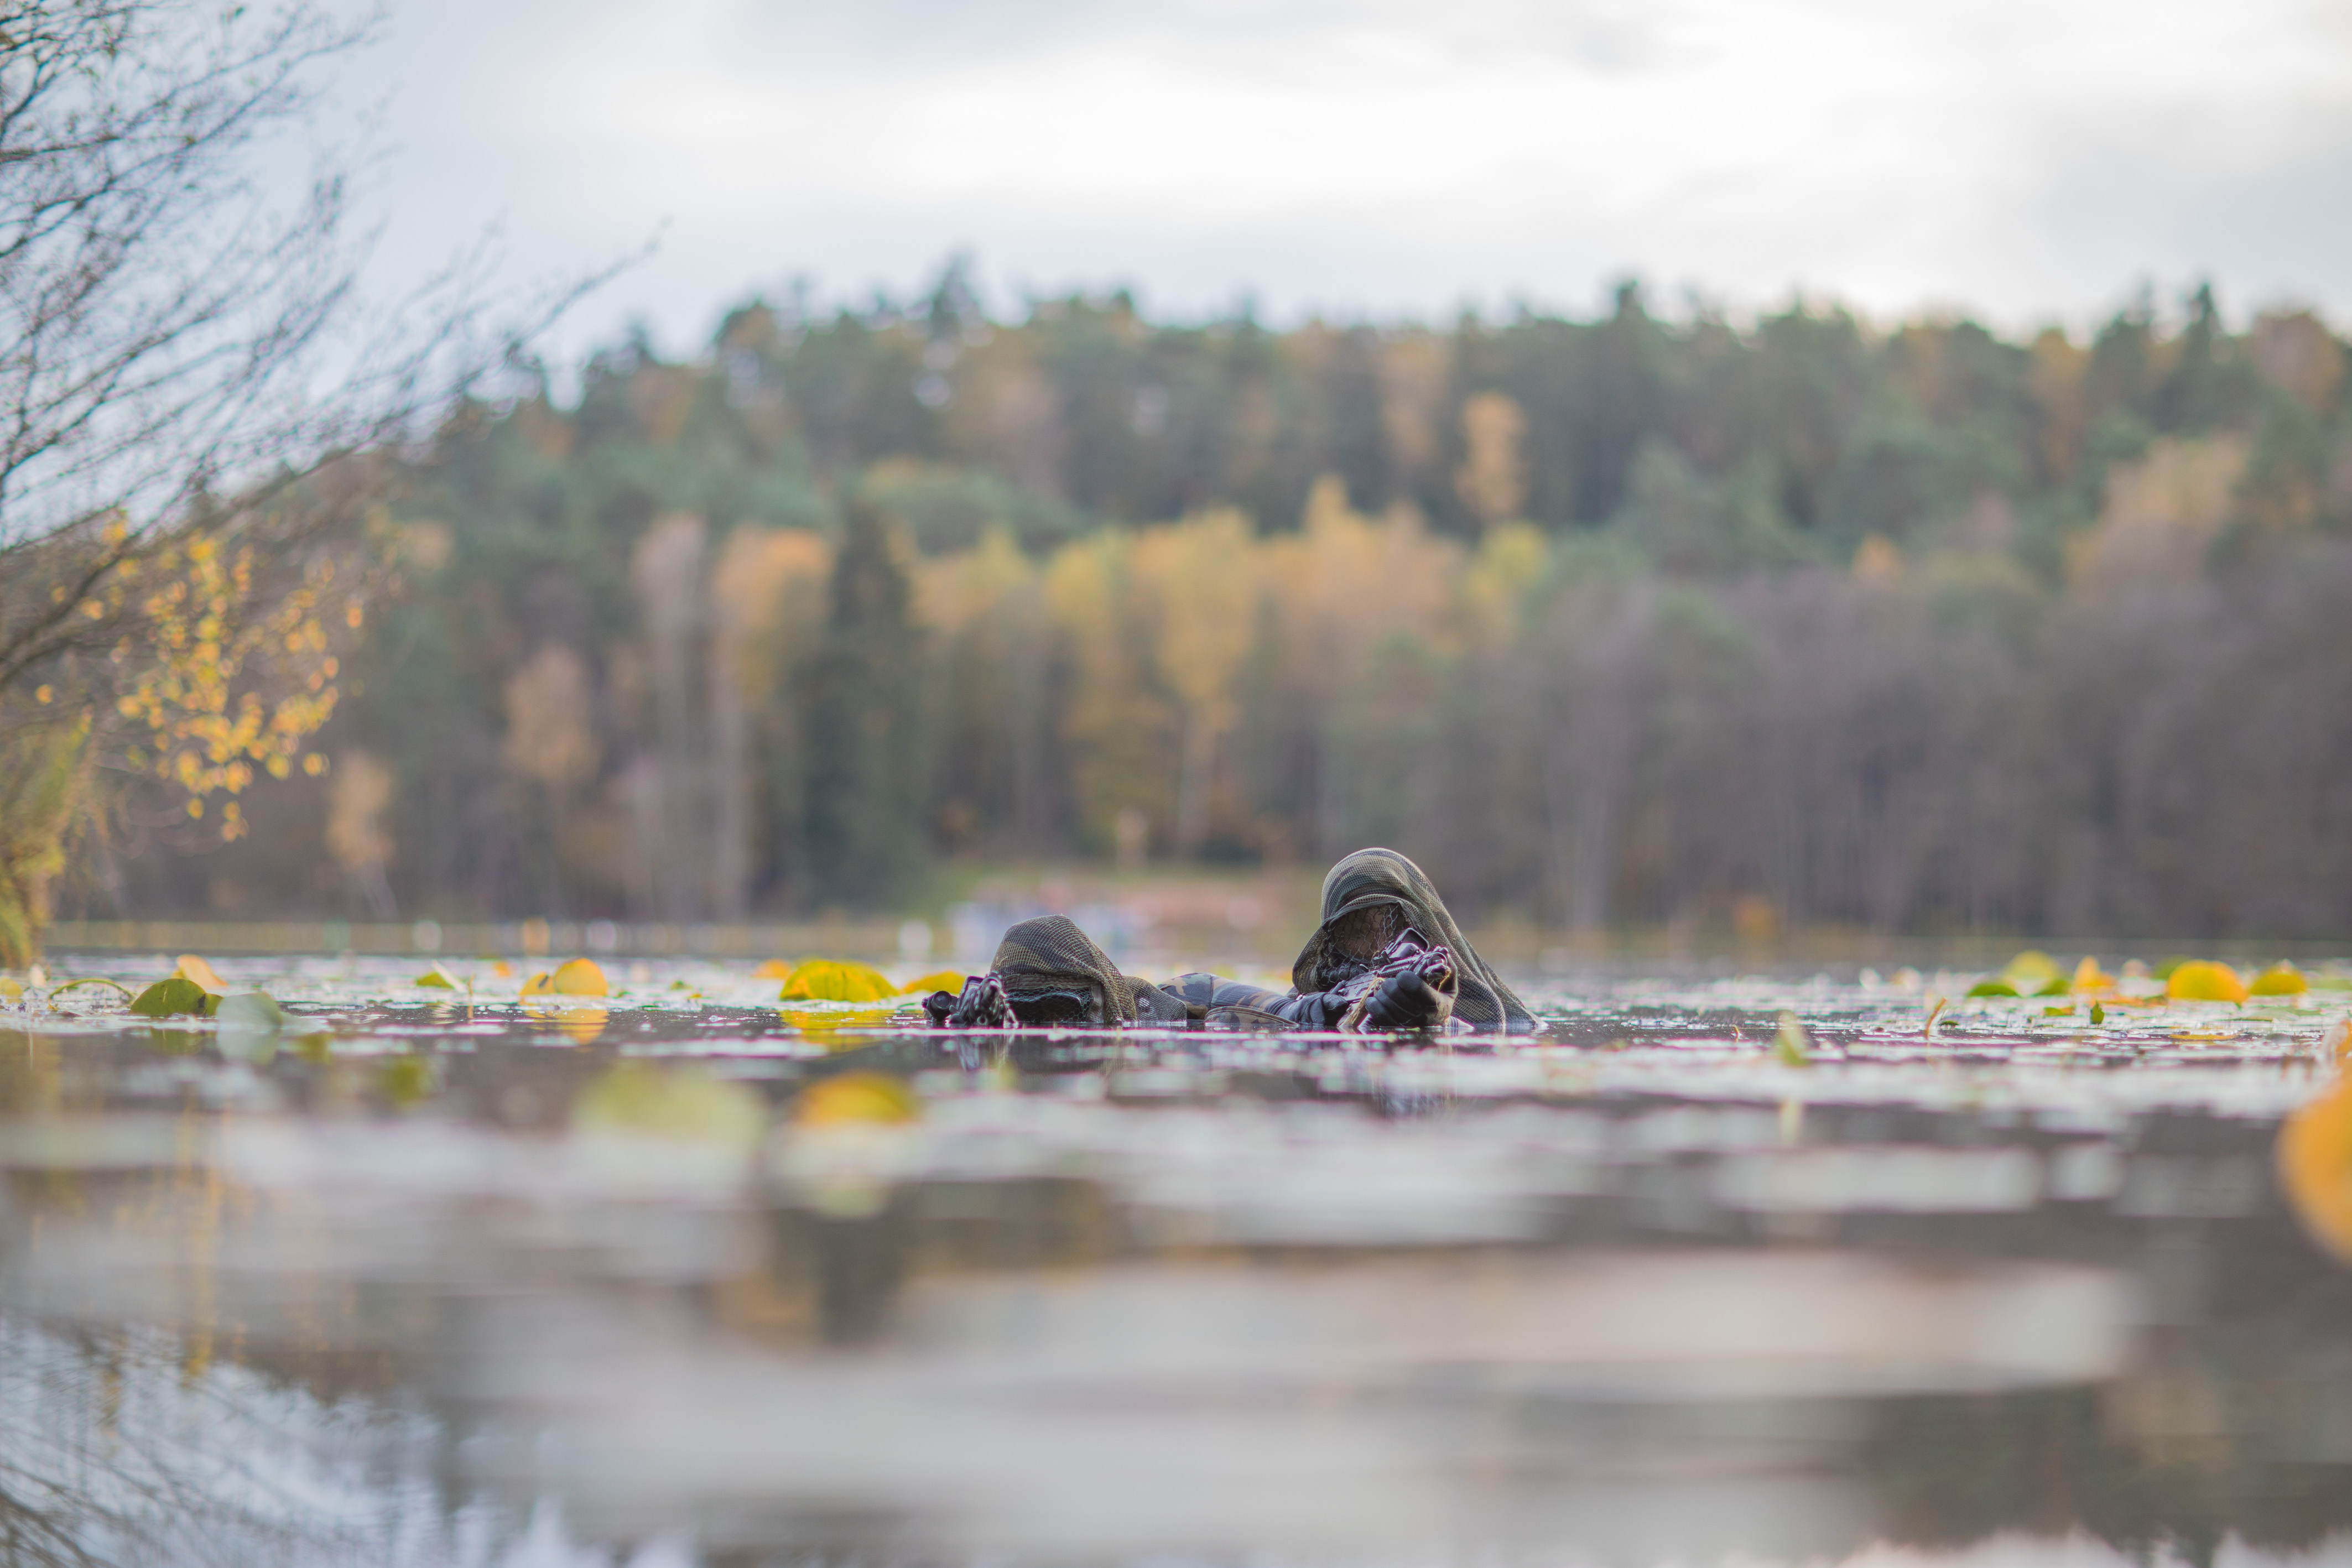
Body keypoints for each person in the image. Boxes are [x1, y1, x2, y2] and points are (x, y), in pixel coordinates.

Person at [924, 846, 1538, 1035]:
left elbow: (1448, 1019)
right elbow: (1273, 1006)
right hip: (1199, 1007)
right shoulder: (1321, 998)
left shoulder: (1481, 1012)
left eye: (1381, 924)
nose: (1371, 943)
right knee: (1042, 945)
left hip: (1260, 1015)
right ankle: (1031, 1007)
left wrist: (1427, 1012)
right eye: (1352, 928)